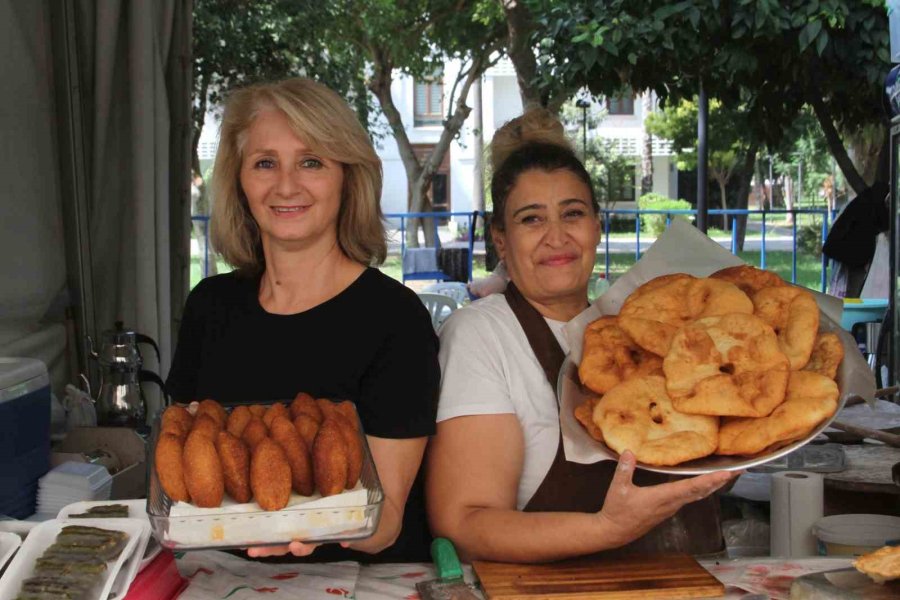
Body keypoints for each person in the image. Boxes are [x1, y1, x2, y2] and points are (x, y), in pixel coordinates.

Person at [426, 109, 736, 563]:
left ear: (596, 226)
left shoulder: (653, 334)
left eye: (572, 214)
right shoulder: (483, 335)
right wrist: (607, 529)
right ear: (500, 240)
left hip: (687, 582)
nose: (557, 237)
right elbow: (464, 523)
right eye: (532, 220)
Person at [166, 77, 439, 562]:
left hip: (362, 583)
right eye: (265, 163)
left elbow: (388, 520)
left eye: (311, 161)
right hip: (226, 581)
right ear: (239, 180)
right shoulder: (208, 307)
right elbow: (185, 461)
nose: (286, 185)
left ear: (347, 177)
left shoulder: (395, 319)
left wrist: (321, 528)